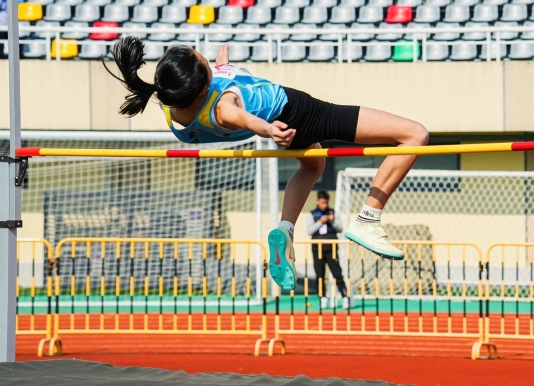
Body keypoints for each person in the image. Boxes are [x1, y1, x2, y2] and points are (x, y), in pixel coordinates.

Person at [104, 37, 429, 291]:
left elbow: (211, 93)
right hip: (298, 113)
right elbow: (237, 114)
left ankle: (285, 231)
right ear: (203, 86)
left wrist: (223, 69)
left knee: (312, 167)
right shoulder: (224, 107)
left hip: (276, 120)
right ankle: (368, 218)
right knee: (414, 134)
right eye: (198, 58)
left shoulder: (171, 102)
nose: (197, 52)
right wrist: (268, 128)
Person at [306, 191, 350, 309]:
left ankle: (345, 296)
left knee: (337, 273)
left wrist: (332, 220)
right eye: (322, 203)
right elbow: (309, 231)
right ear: (317, 201)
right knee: (319, 275)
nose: (324, 205)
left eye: (326, 203)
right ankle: (322, 298)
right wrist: (320, 222)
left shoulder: (333, 213)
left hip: (331, 248)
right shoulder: (312, 214)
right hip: (317, 249)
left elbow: (340, 229)